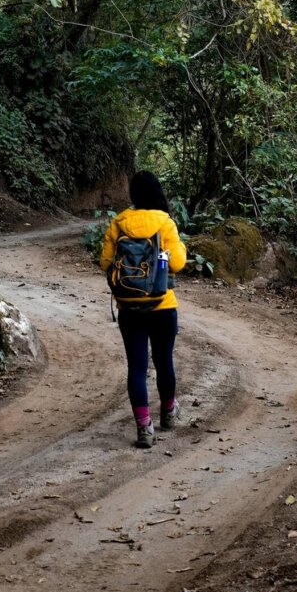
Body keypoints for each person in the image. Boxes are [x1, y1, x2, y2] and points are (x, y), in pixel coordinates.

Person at [100, 171, 187, 448]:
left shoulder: (120, 222)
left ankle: (144, 427)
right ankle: (169, 413)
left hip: (129, 307)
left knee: (137, 367)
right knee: (164, 361)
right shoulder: (165, 222)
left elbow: (105, 263)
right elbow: (178, 264)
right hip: (162, 306)